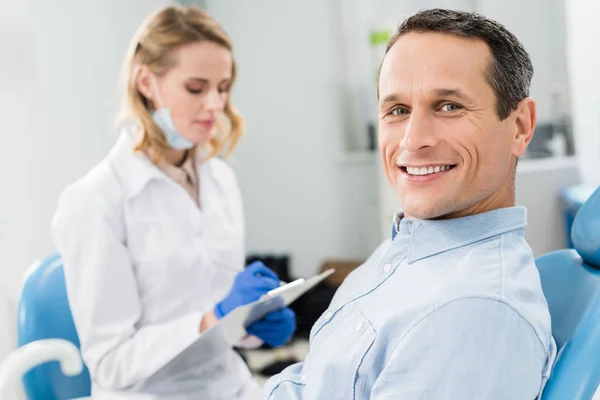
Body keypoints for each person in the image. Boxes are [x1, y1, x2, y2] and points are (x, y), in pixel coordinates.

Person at [266, 8, 556, 400]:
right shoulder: (405, 249)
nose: (411, 140)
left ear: (520, 126)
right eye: (397, 110)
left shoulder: (469, 312)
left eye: (448, 106)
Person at [51, 5, 295, 399]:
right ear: (147, 82)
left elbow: (218, 321)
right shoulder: (95, 201)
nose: (215, 105)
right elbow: (111, 363)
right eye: (196, 88)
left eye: (223, 87)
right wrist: (210, 318)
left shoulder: (220, 180)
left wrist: (251, 325)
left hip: (229, 384)